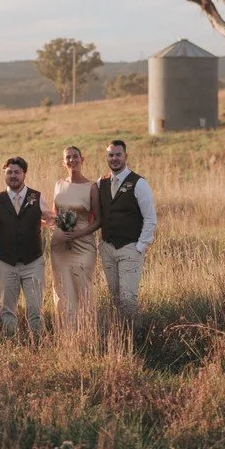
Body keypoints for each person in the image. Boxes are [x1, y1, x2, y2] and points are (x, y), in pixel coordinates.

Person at [97, 140, 157, 320]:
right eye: (111, 155)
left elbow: (150, 218)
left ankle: (136, 338)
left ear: (125, 156)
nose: (114, 158)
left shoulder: (139, 183)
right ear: (107, 157)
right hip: (107, 248)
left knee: (128, 298)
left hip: (130, 248)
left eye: (118, 155)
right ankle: (122, 336)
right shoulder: (102, 182)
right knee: (116, 299)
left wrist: (141, 246)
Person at [0, 155, 49, 337]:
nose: (13, 176)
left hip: (33, 262)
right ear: (4, 174)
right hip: (5, 263)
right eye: (9, 172)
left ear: (24, 174)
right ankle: (11, 344)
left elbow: (51, 220)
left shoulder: (37, 197)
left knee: (35, 308)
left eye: (17, 172)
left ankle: (38, 344)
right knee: (8, 310)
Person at [50, 145, 101, 328]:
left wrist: (78, 233)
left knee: (83, 286)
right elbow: (55, 214)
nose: (72, 160)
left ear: (82, 159)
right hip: (59, 245)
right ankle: (66, 332)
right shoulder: (58, 185)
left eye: (75, 157)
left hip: (83, 244)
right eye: (68, 157)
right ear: (63, 162)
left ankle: (86, 330)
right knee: (62, 288)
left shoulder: (91, 187)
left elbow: (98, 220)